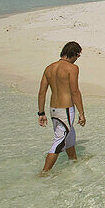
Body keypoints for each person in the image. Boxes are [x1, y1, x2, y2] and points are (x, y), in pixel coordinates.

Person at [37, 41, 86, 175]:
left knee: (69, 135)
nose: (77, 59)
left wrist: (41, 113)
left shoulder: (49, 68)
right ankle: (44, 172)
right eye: (78, 56)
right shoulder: (72, 68)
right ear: (74, 54)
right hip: (65, 109)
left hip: (53, 109)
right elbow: (75, 91)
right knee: (59, 141)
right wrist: (81, 113)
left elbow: (42, 92)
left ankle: (74, 161)